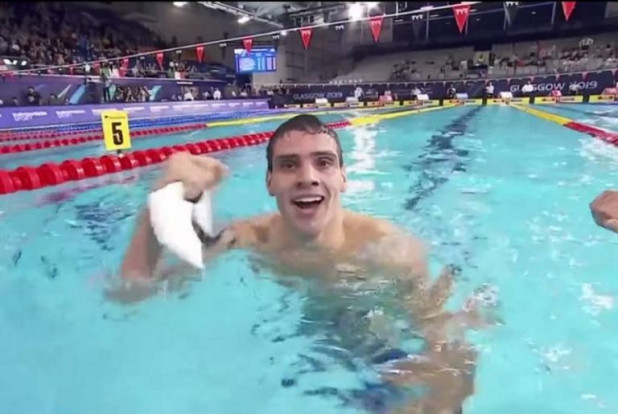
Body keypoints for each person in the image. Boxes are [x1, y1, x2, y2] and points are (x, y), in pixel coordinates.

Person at [115, 114, 486, 414]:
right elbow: (133, 294)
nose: (307, 177)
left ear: (343, 178)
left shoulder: (390, 250)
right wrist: (157, 206)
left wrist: (442, 397)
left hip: (372, 340)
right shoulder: (248, 238)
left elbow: (442, 340)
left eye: (323, 163)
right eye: (289, 165)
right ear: (270, 182)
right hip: (300, 340)